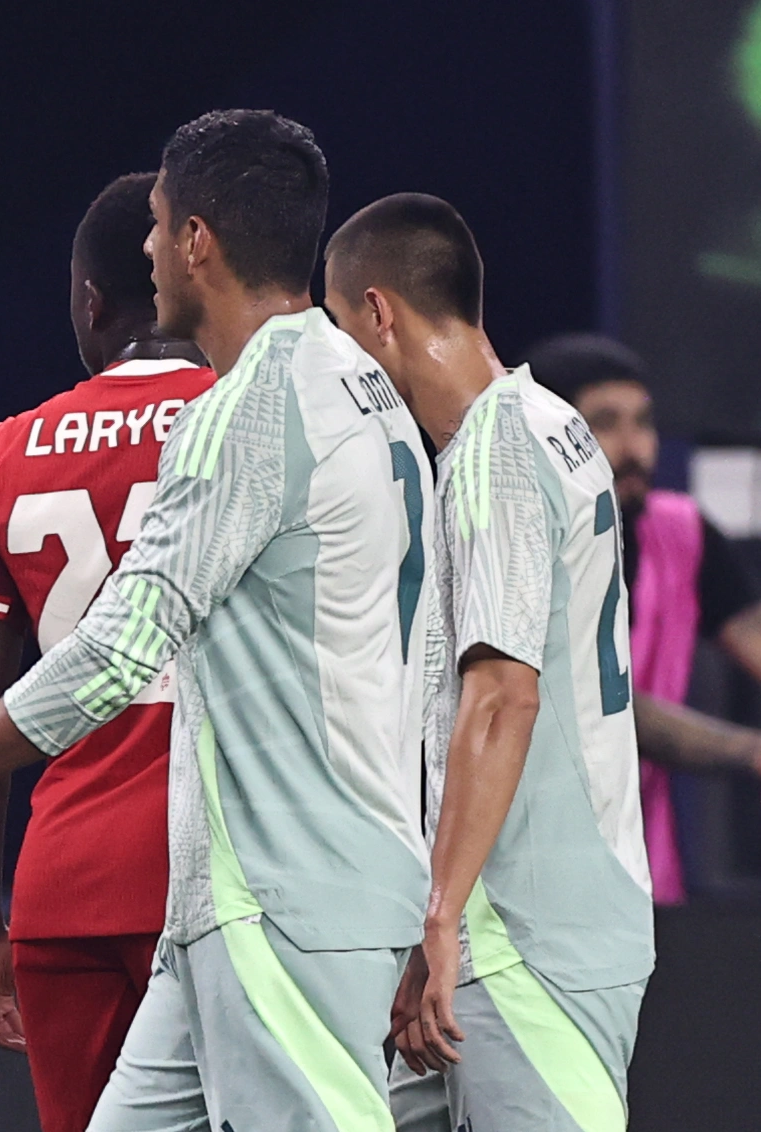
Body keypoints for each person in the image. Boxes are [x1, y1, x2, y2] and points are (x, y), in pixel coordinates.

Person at [0, 109, 435, 1132]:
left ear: (198, 239)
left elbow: (115, 650)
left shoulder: (243, 411)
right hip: (241, 893)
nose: (146, 248)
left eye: (156, 223)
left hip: (281, 895)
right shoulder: (368, 389)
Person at [324, 193, 653, 1132]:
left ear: (379, 315)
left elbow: (504, 696)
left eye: (343, 330)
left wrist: (440, 918)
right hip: (503, 927)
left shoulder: (495, 451)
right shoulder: (547, 421)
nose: (345, 365)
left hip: (529, 938)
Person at [0, 172, 214, 1132]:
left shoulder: (5, 453)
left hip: (66, 885)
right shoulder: (262, 423)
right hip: (230, 873)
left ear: (91, 301)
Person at [527, 333, 761, 904]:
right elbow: (605, 708)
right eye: (606, 423)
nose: (635, 448)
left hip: (646, 879)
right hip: (531, 874)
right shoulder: (521, 545)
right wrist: (749, 752)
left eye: (644, 422)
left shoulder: (680, 532)